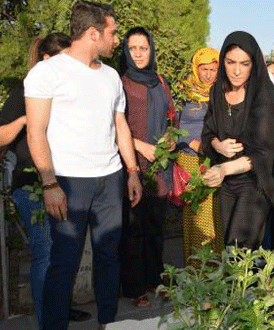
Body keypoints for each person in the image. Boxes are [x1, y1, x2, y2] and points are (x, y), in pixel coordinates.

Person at [24, 1, 142, 329]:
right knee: (64, 264)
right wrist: (49, 184)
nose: (116, 39)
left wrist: (132, 172)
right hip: (69, 183)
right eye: (113, 32)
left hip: (110, 179)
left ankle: (109, 324)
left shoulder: (111, 76)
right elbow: (36, 132)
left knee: (109, 259)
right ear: (93, 33)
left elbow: (120, 125)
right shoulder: (46, 73)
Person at [0, 32, 93, 328]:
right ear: (46, 60)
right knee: (46, 252)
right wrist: (27, 120)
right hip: (32, 186)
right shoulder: (25, 90)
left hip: (66, 182)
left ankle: (58, 308)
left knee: (64, 252)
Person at [201, 31, 274, 250]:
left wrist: (224, 168)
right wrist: (218, 145)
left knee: (240, 249)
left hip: (254, 182)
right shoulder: (217, 92)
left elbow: (262, 154)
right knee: (227, 246)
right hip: (226, 183)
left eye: (244, 64)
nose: (236, 71)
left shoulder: (263, 96)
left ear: (254, 64)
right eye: (230, 62)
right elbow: (207, 132)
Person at [118, 26, 175, 307]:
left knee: (155, 227)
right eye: (133, 48)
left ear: (151, 50)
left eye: (144, 48)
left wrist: (169, 138)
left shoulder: (161, 82)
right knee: (134, 229)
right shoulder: (120, 82)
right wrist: (142, 148)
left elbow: (171, 116)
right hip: (132, 165)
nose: (139, 53)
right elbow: (113, 126)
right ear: (126, 52)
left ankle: (155, 279)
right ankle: (134, 287)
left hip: (159, 166)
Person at [176, 47, 222, 264]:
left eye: (213, 69)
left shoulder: (221, 91)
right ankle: (196, 268)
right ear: (196, 68)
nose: (208, 74)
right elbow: (170, 128)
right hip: (189, 159)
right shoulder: (182, 92)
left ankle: (215, 267)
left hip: (215, 158)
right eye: (204, 69)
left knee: (215, 214)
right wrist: (192, 142)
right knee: (196, 214)